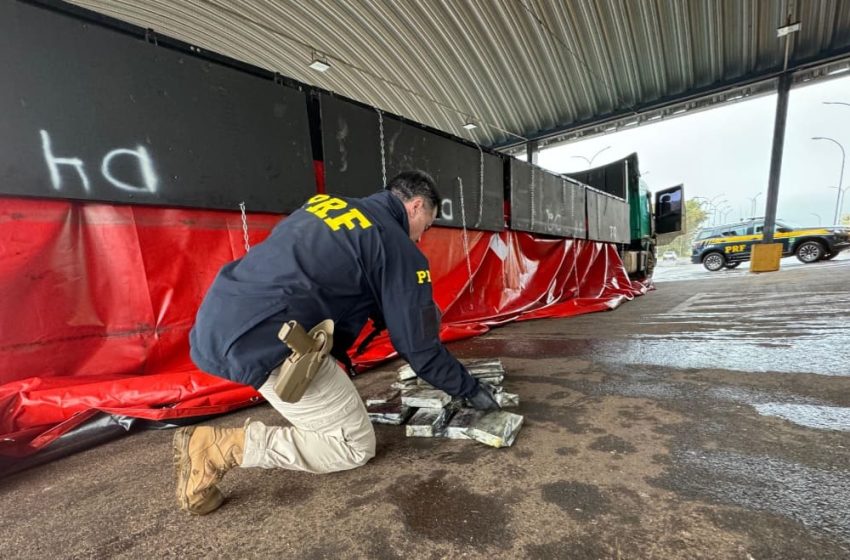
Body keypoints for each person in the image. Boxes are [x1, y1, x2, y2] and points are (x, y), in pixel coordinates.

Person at [175, 170, 500, 515]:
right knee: (353, 445)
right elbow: (418, 349)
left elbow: (324, 275)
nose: (420, 238)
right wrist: (468, 388)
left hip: (220, 316)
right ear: (417, 206)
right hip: (266, 338)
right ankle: (219, 448)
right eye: (428, 226)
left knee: (336, 398)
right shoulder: (397, 245)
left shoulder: (326, 205)